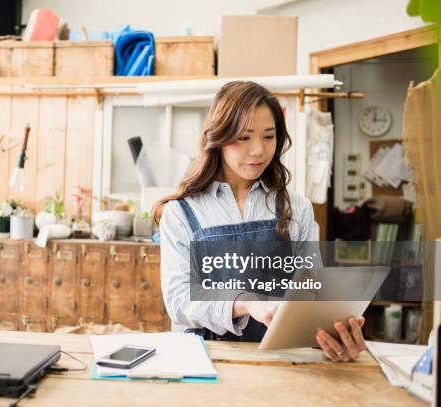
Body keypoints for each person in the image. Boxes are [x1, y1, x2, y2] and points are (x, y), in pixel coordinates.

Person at [154, 81, 366, 362]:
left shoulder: (297, 208)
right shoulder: (181, 212)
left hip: (279, 358)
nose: (258, 150)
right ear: (217, 136)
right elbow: (179, 300)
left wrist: (334, 333)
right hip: (204, 360)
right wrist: (247, 303)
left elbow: (311, 288)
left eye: (269, 136)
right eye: (244, 137)